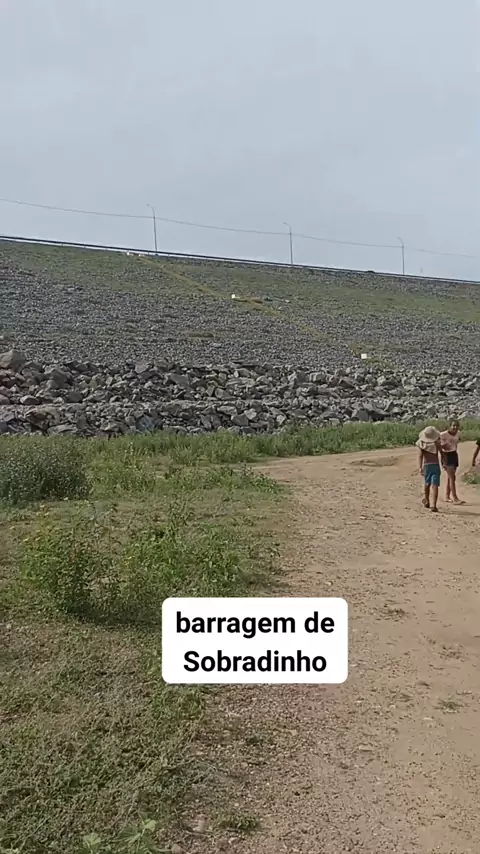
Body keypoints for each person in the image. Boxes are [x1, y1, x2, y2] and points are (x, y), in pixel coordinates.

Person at [416, 426, 445, 513]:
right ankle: (434, 505)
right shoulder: (436, 443)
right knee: (435, 485)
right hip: (435, 465)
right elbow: (442, 453)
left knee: (427, 483)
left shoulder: (421, 443)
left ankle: (427, 500)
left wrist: (420, 467)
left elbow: (420, 456)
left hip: (426, 465)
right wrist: (443, 462)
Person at [440, 419, 463, 504]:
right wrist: (442, 447)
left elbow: (456, 443)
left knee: (451, 477)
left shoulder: (458, 433)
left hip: (454, 454)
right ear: (449, 426)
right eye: (453, 425)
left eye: (457, 426)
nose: (455, 427)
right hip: (446, 455)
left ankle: (447, 496)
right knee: (452, 477)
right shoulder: (443, 434)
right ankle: (455, 498)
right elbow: (437, 444)